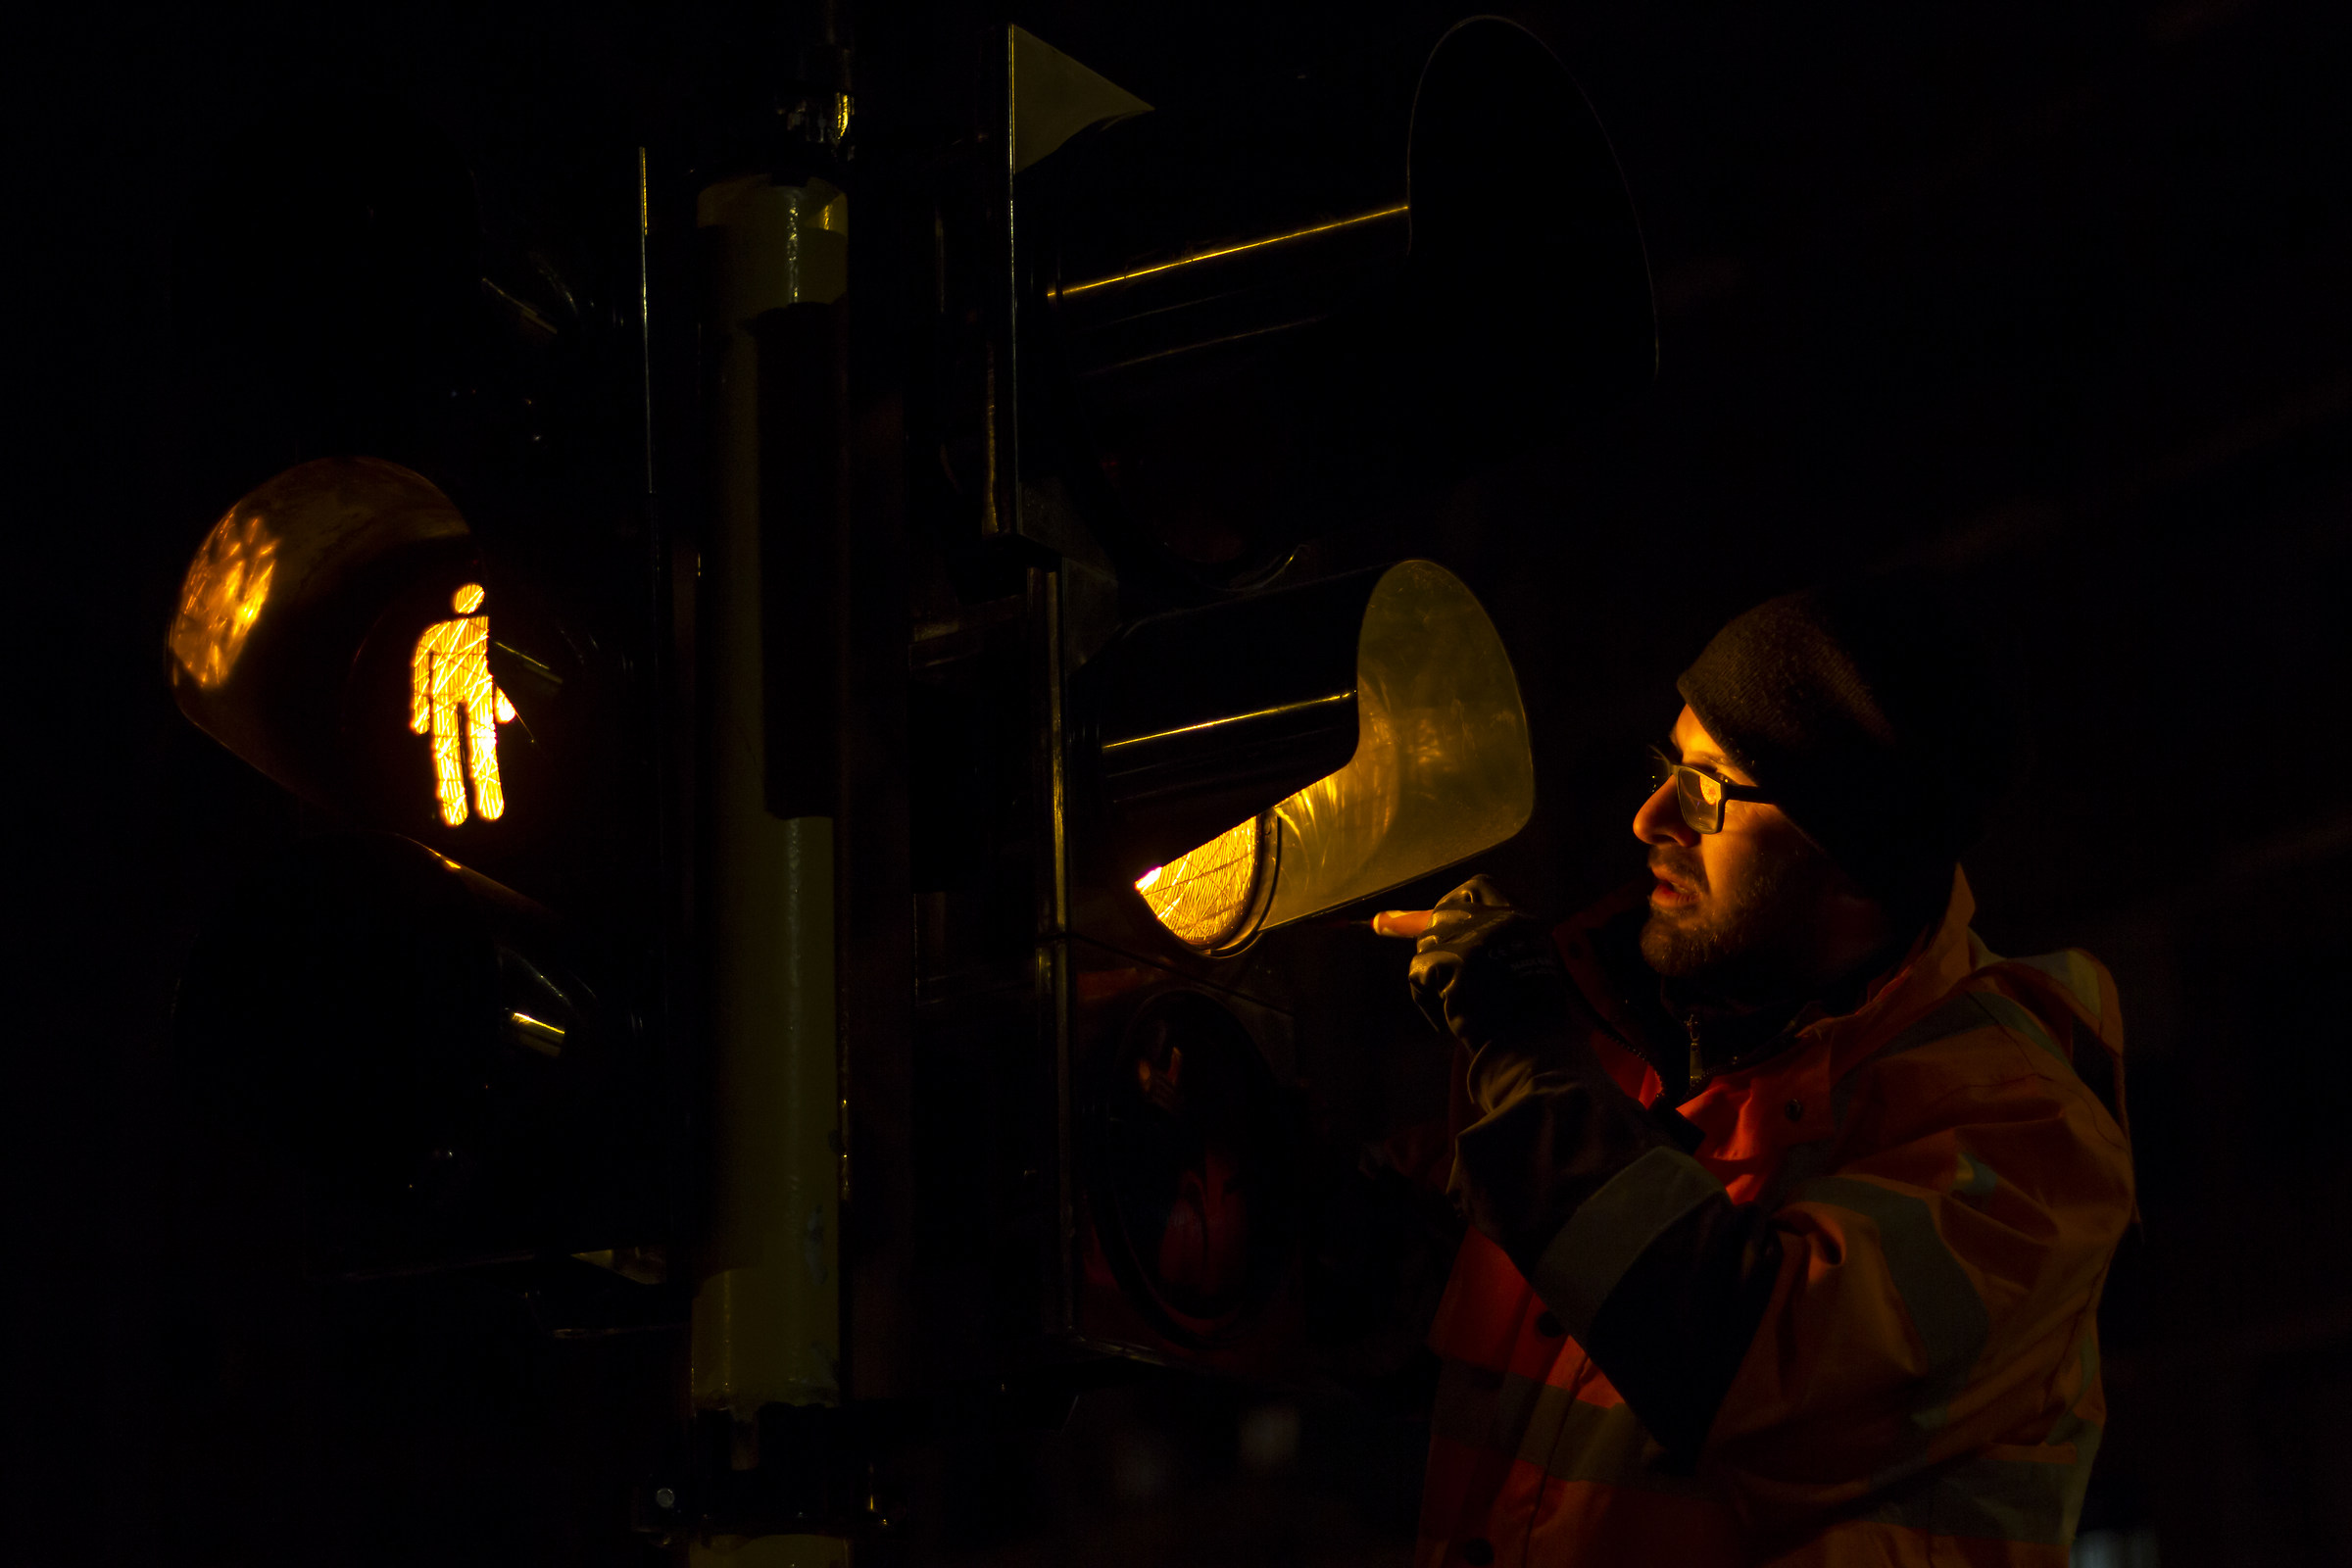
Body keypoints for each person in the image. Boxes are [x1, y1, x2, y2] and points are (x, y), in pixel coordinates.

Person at [1375, 578, 2133, 1567]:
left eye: (1707, 786)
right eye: (1665, 767)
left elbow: (1737, 1362)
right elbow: (1442, 1337)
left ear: (1851, 852)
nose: (1651, 818)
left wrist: (1529, 1063)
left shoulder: (2023, 1132)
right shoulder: (1670, 1054)